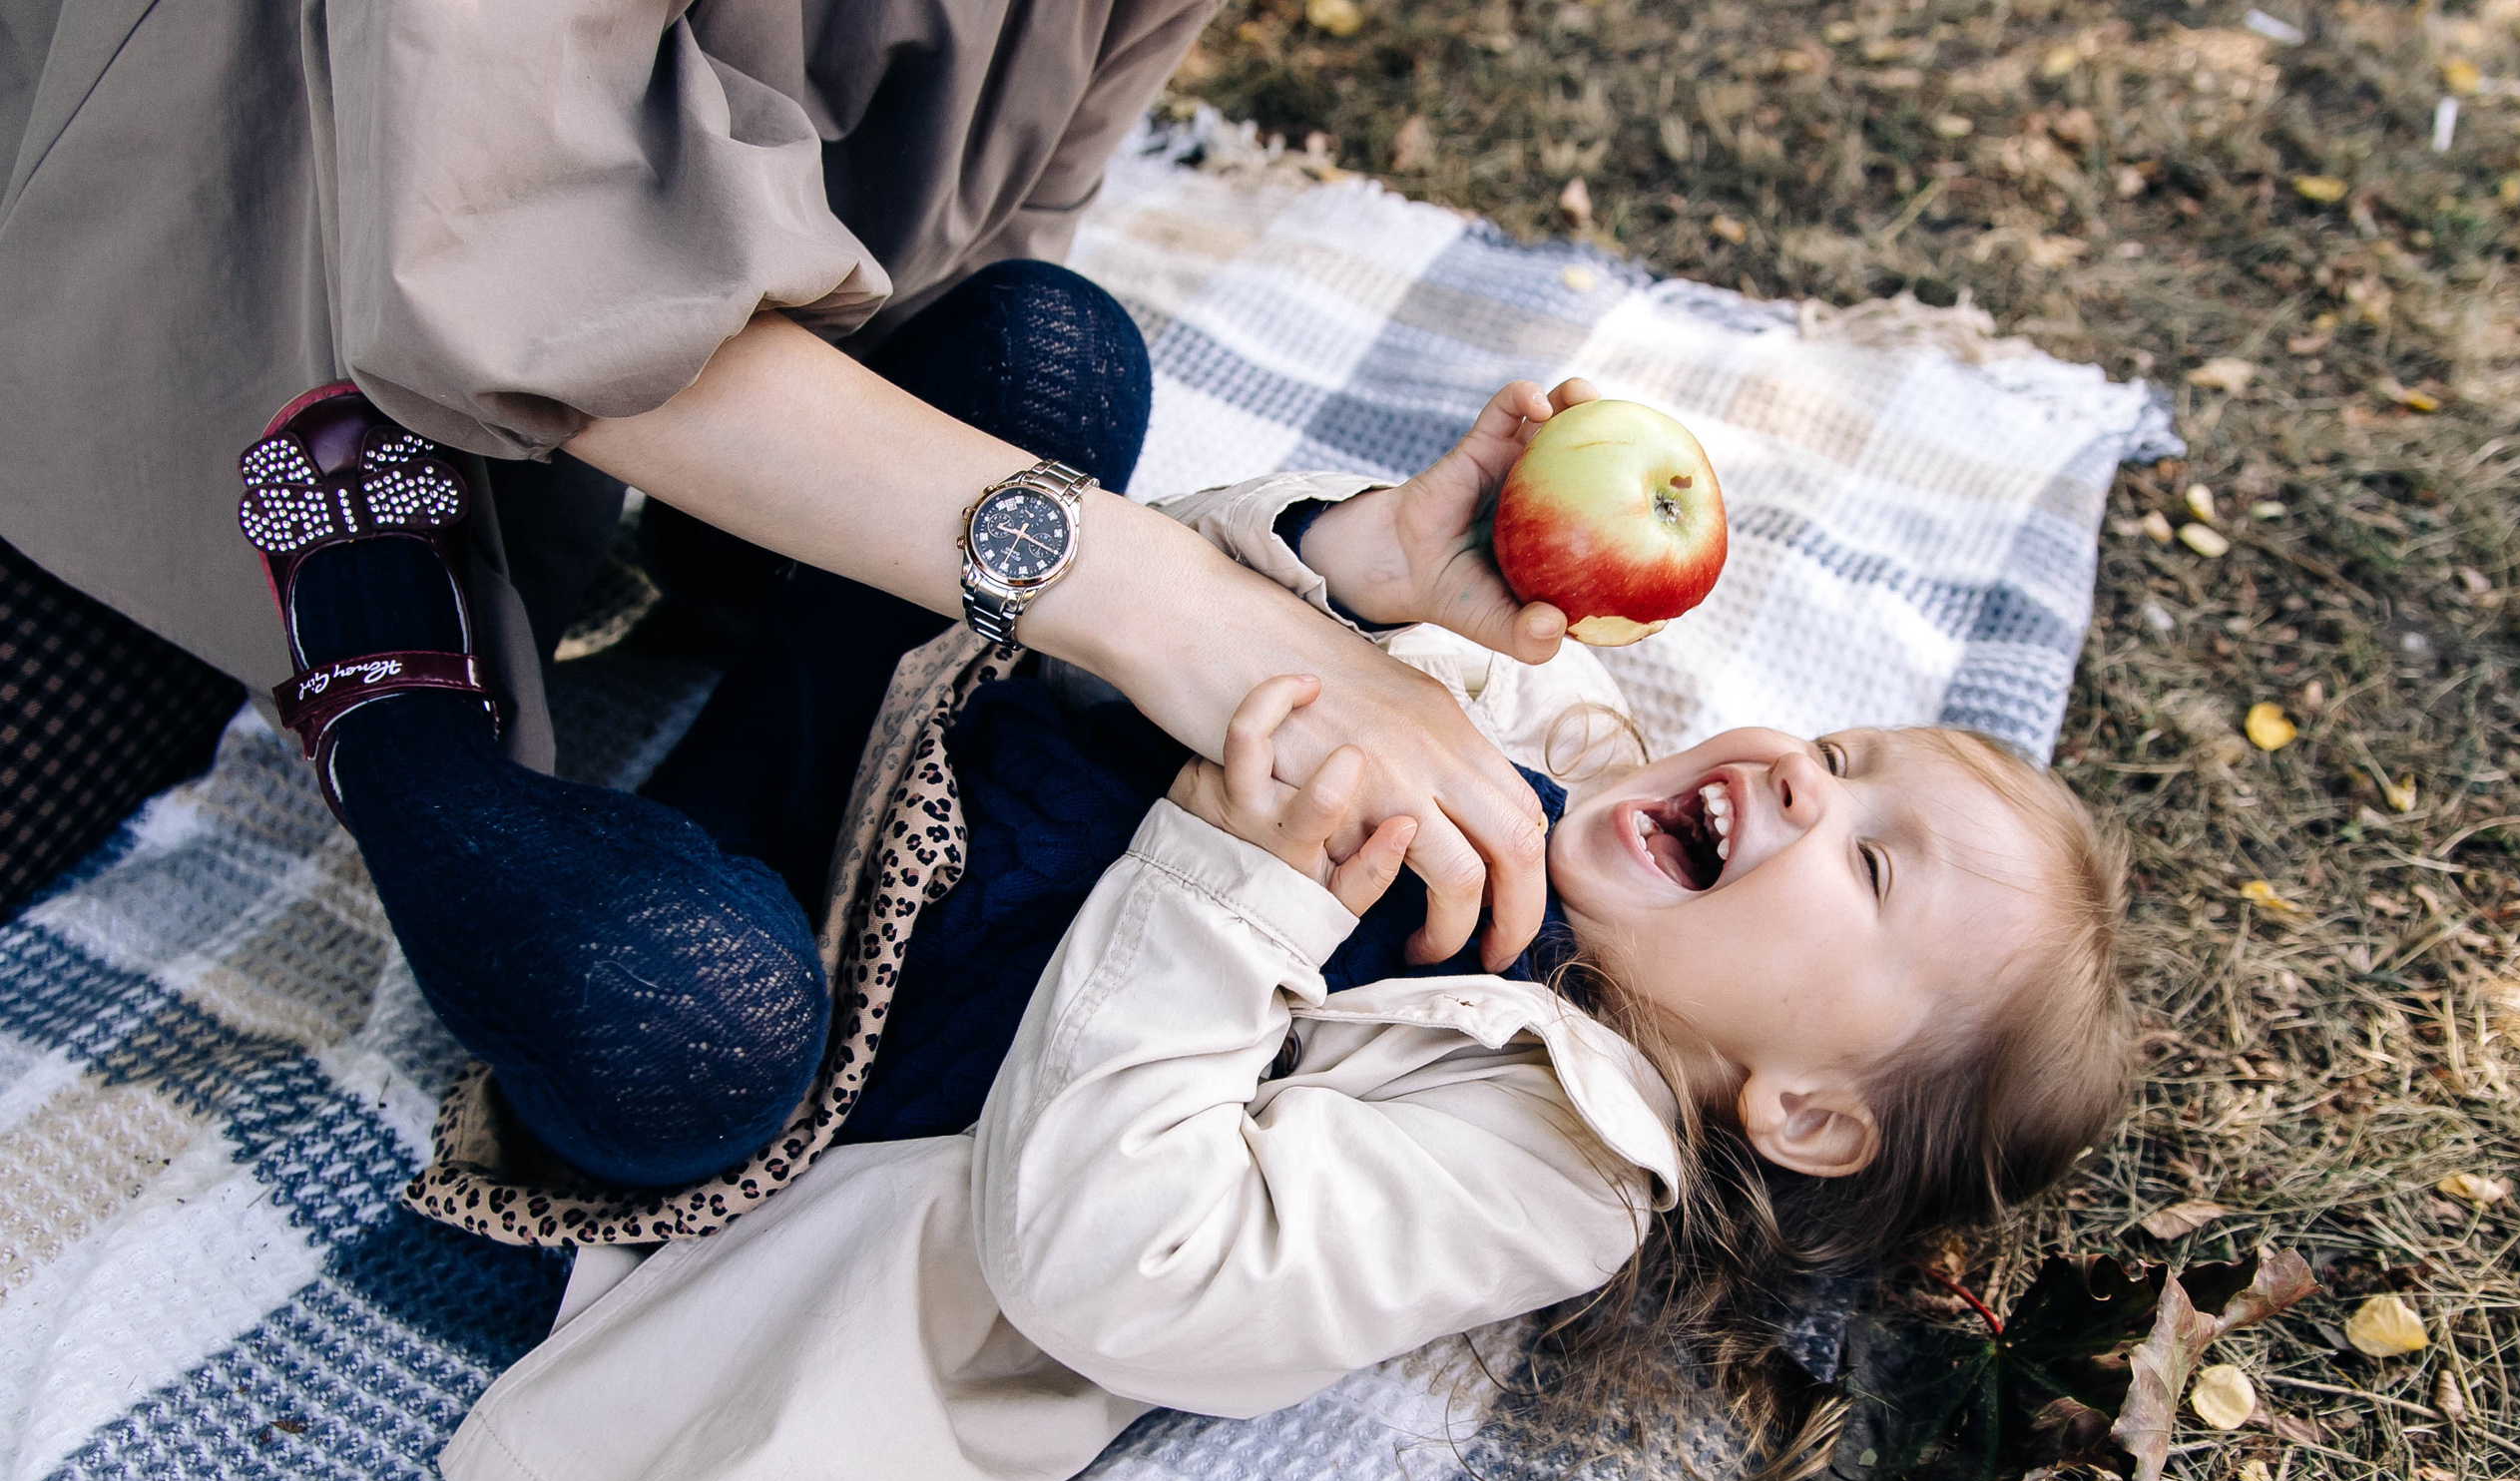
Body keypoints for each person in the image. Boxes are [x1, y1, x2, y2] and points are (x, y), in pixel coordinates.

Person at [433, 384, 2138, 1481]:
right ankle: (688, 561)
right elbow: (1141, 600)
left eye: (1868, 861)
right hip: (898, 778)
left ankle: (387, 695)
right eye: (1844, 755)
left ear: (1815, 1117)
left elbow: (1120, 1266)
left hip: (804, 1079)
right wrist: (1360, 561)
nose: (1800, 782)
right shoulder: (1535, 750)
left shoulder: (1546, 1162)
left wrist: (1226, 887)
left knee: (671, 1005)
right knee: (1048, 346)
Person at [0, 1, 1562, 1063]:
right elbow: (513, 253)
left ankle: (637, 713)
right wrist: (1203, 606)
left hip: (741, 421)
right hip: (277, 274)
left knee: (1046, 350)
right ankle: (405, 727)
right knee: (686, 1015)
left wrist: (1331, 571)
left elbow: (993, 246)